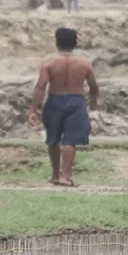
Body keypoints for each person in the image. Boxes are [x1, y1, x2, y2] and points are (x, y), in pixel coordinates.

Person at [27, 28, 99, 187]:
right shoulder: (84, 63)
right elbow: (94, 86)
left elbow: (40, 87)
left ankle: (54, 175)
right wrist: (93, 101)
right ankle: (65, 177)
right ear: (75, 42)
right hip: (76, 101)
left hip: (55, 101)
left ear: (57, 42)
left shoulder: (49, 63)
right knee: (70, 140)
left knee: (53, 139)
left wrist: (33, 110)